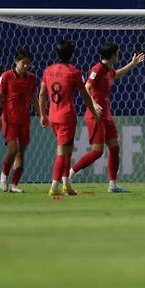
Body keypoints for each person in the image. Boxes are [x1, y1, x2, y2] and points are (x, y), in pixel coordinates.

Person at [68, 43, 145, 193]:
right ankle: (70, 174)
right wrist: (95, 103)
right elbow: (86, 87)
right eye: (117, 53)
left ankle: (113, 185)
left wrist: (132, 64)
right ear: (111, 55)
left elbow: (117, 74)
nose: (119, 55)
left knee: (115, 148)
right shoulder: (97, 69)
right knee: (97, 152)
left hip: (107, 115)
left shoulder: (109, 70)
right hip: (95, 115)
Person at [38, 40, 100, 197]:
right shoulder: (74, 72)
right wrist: (93, 111)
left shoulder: (48, 70)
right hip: (66, 116)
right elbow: (85, 94)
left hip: (53, 115)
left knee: (67, 150)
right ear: (72, 54)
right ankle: (54, 186)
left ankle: (66, 185)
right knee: (62, 152)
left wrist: (42, 114)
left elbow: (42, 93)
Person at [0, 48, 39, 193]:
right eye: (23, 63)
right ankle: (4, 176)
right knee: (13, 149)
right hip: (9, 119)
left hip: (25, 120)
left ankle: (14, 185)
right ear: (16, 61)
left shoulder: (31, 78)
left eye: (28, 64)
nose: (26, 66)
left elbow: (34, 98)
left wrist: (42, 114)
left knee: (21, 152)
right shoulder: (6, 76)